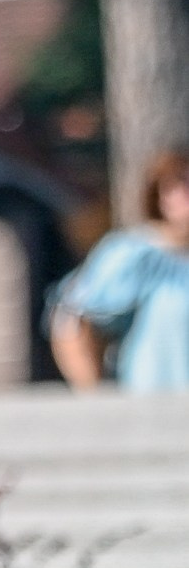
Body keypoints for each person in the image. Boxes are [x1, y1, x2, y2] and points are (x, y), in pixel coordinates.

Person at [52, 149, 189, 392]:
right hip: (157, 403)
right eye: (179, 184)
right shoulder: (135, 255)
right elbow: (72, 320)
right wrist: (93, 396)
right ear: (159, 195)